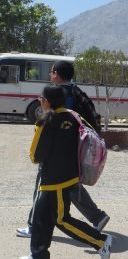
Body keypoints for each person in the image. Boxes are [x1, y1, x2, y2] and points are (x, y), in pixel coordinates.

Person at [19, 85, 112, 259]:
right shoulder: (73, 116)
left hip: (54, 180)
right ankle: (40, 256)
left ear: (47, 101)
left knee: (61, 219)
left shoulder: (46, 120)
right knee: (40, 217)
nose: (40, 101)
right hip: (69, 176)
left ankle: (101, 241)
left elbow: (35, 156)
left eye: (41, 98)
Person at [16, 60, 109, 238]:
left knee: (43, 186)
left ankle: (34, 226)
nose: (50, 76)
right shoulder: (77, 91)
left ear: (57, 74)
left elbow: (57, 120)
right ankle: (97, 217)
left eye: (51, 72)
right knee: (70, 186)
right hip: (74, 151)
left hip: (58, 152)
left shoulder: (61, 94)